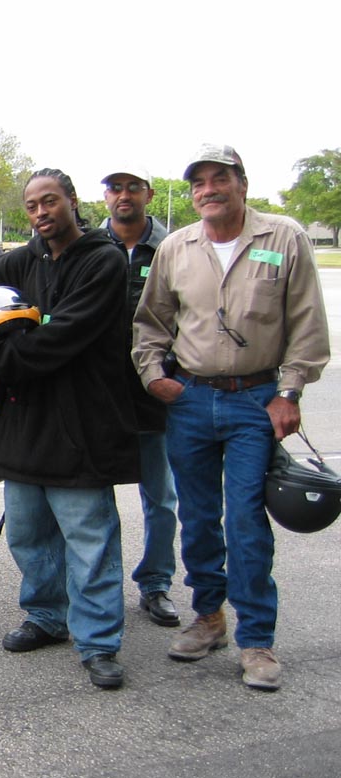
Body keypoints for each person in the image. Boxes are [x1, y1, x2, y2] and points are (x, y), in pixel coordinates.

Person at [133, 144, 330, 691]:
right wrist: (153, 375)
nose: (208, 190)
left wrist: (289, 392)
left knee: (245, 521)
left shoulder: (283, 238)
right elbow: (151, 322)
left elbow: (307, 322)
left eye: (219, 178)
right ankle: (208, 618)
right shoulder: (177, 247)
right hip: (191, 400)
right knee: (198, 518)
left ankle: (257, 639)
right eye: (199, 182)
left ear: (242, 183)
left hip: (255, 400)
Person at [0, 168, 136, 689]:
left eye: (50, 201)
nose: (40, 213)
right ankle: (47, 616)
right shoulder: (18, 261)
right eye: (32, 206)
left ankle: (98, 642)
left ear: (72, 201)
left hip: (82, 423)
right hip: (23, 423)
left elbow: (62, 339)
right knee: (29, 534)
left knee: (89, 538)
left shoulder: (103, 260)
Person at [99, 164, 179, 627]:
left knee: (160, 498)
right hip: (100, 395)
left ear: (149, 194)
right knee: (96, 500)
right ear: (105, 195)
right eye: (115, 187)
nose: (123, 195)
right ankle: (101, 586)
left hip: (153, 392)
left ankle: (155, 583)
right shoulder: (90, 246)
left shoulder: (173, 248)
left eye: (133, 187)